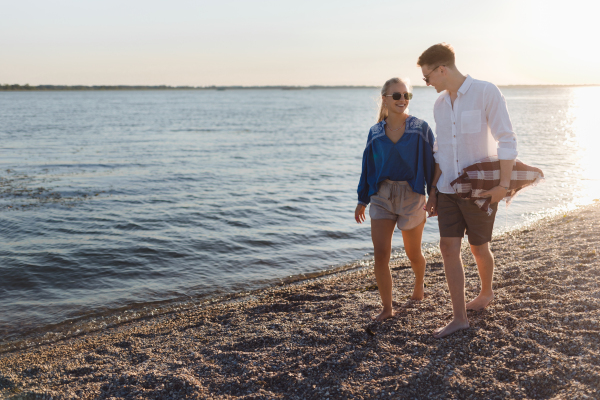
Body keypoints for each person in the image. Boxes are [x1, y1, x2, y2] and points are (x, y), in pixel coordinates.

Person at [417, 43, 518, 338]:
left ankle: (486, 292)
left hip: (480, 189)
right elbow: (440, 152)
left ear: (441, 70)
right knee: (448, 248)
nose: (428, 83)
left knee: (478, 247)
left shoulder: (486, 92)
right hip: (447, 189)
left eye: (427, 77)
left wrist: (503, 185)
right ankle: (459, 317)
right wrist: (434, 191)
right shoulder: (438, 105)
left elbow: (507, 140)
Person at [355, 77, 435, 321]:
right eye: (397, 95)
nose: (402, 100)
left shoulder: (420, 128)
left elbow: (432, 165)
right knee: (381, 254)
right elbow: (367, 168)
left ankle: (419, 283)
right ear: (385, 99)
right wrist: (362, 199)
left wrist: (434, 197)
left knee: (413, 254)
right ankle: (387, 308)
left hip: (412, 196)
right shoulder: (375, 132)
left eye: (406, 95)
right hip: (381, 196)